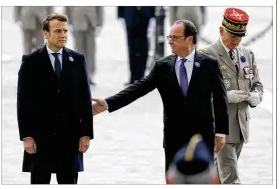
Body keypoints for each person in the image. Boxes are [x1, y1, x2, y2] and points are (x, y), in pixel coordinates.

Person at [92, 19, 229, 180]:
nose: (170, 42)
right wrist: (108, 103)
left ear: (189, 39)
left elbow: (221, 99)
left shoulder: (209, 64)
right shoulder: (163, 66)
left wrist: (221, 131)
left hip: (202, 135)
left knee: (203, 180)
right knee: (172, 179)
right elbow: (138, 89)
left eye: (175, 38)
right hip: (173, 135)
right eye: (169, 37)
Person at [17, 13, 94, 184]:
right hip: (40, 137)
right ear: (46, 34)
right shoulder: (30, 61)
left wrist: (86, 134)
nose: (63, 35)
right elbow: (23, 102)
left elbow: (84, 99)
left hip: (70, 138)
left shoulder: (77, 60)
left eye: (65, 31)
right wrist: (26, 136)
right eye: (58, 31)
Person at [199, 7, 264, 184]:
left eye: (240, 36)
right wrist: (226, 96)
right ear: (221, 31)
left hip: (241, 126)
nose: (236, 41)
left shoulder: (247, 54)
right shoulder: (207, 56)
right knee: (231, 177)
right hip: (219, 127)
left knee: (219, 176)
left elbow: (257, 84)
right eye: (233, 36)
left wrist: (256, 96)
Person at [65, 6, 104, 85]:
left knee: (91, 50)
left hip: (91, 23)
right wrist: (68, 23)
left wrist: (100, 24)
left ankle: (89, 75)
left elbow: (100, 8)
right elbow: (67, 7)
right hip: (77, 22)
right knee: (78, 51)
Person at [117, 6, 156, 85]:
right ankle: (133, 76)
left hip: (144, 13)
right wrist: (120, 14)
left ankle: (141, 75)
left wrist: (152, 13)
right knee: (131, 47)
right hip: (130, 14)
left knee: (143, 46)